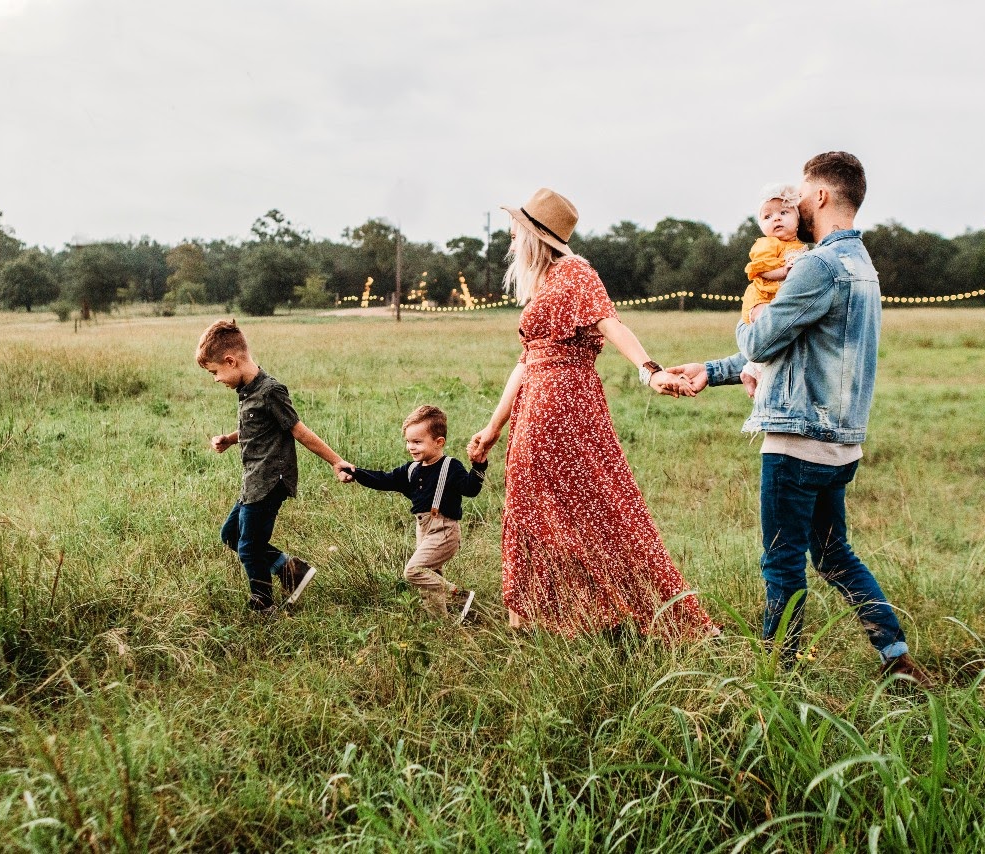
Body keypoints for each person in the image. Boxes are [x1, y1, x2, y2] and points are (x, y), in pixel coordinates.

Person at [669, 152, 934, 686]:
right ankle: (896, 657)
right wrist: (713, 370)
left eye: (801, 193)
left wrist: (748, 318)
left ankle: (776, 676)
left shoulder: (817, 265)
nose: (794, 204)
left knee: (781, 562)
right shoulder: (862, 265)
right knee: (835, 555)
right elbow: (797, 348)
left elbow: (762, 339)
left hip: (797, 441)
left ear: (821, 197)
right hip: (840, 443)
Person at [466, 187, 717, 638]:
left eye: (515, 230)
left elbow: (611, 323)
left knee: (596, 507)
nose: (509, 238)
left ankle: (620, 610)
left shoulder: (575, 272)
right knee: (533, 506)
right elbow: (524, 363)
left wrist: (650, 370)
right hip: (536, 405)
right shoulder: (544, 283)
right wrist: (492, 428)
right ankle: (539, 616)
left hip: (563, 403)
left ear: (534, 235)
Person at [196, 319, 353, 615]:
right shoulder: (247, 391)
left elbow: (299, 431)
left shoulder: (270, 391)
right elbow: (256, 429)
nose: (216, 379)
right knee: (231, 534)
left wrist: (336, 461)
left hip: (270, 481)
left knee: (249, 547)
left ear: (231, 361)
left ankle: (263, 603)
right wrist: (230, 439)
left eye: (215, 372)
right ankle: (291, 571)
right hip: (252, 480)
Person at [345, 405, 487, 622]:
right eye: (409, 441)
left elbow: (471, 489)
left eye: (417, 442)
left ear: (439, 442)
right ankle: (442, 624)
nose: (411, 447)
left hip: (444, 530)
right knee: (429, 580)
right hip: (423, 529)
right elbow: (383, 479)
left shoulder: (450, 466)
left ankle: (459, 596)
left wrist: (479, 466)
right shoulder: (411, 470)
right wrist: (355, 473)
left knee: (414, 571)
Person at [740, 183, 808, 396]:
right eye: (767, 217)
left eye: (784, 212)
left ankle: (750, 369)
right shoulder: (767, 244)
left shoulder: (800, 247)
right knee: (768, 328)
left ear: (798, 219)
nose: (776, 219)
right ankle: (756, 371)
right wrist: (783, 271)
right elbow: (760, 270)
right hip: (761, 298)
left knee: (780, 333)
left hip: (777, 299)